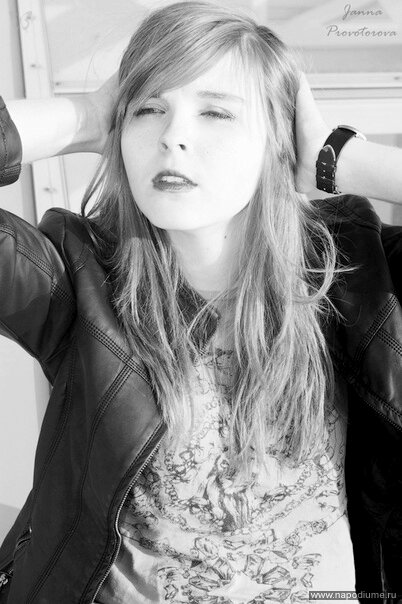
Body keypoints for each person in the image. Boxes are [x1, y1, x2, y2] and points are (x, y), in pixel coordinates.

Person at [0, 2, 402, 602]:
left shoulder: (353, 272)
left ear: (278, 143)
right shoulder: (76, 278)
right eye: (147, 109)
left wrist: (334, 157)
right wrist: (83, 116)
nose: (172, 136)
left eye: (215, 112)